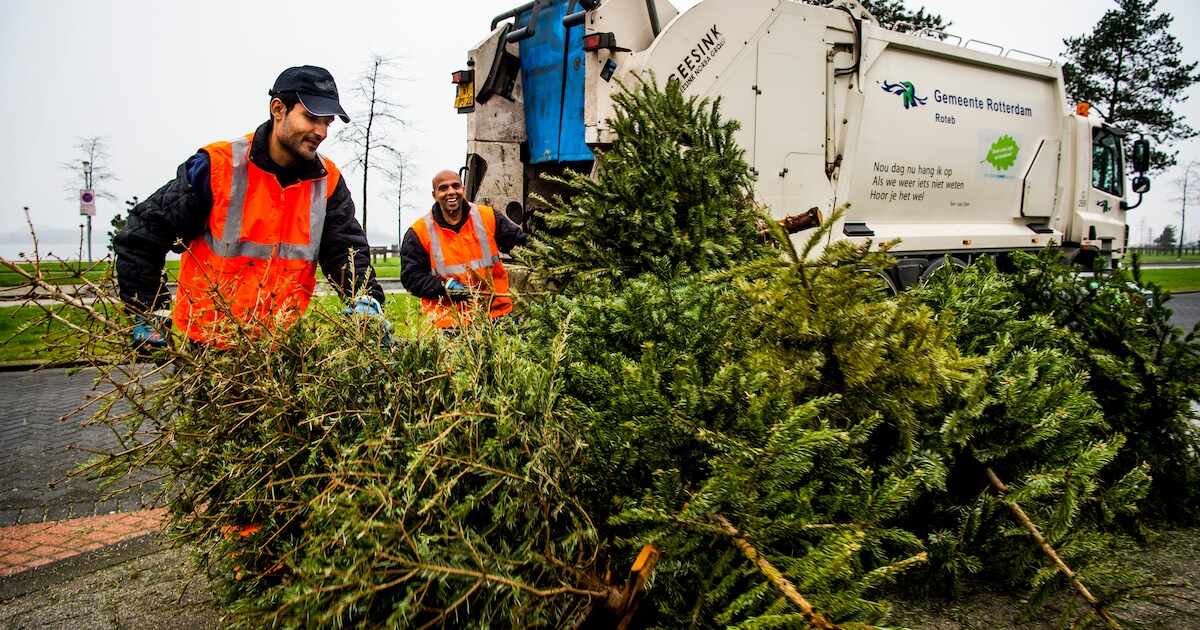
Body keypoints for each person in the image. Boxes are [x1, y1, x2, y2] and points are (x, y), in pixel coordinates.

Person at [114, 65, 387, 348]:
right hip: (206, 347)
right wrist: (148, 309)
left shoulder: (327, 182)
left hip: (278, 351)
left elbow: (346, 252)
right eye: (311, 118)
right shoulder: (218, 168)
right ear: (278, 109)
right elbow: (143, 234)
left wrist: (364, 298)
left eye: (327, 122)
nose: (321, 131)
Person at [399, 170, 527, 329]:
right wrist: (446, 287)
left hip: (497, 313)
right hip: (451, 322)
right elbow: (411, 277)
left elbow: (520, 244)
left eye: (455, 186)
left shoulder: (487, 217)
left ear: (463, 189)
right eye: (443, 188)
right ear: (434, 194)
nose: (451, 192)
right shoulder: (419, 232)